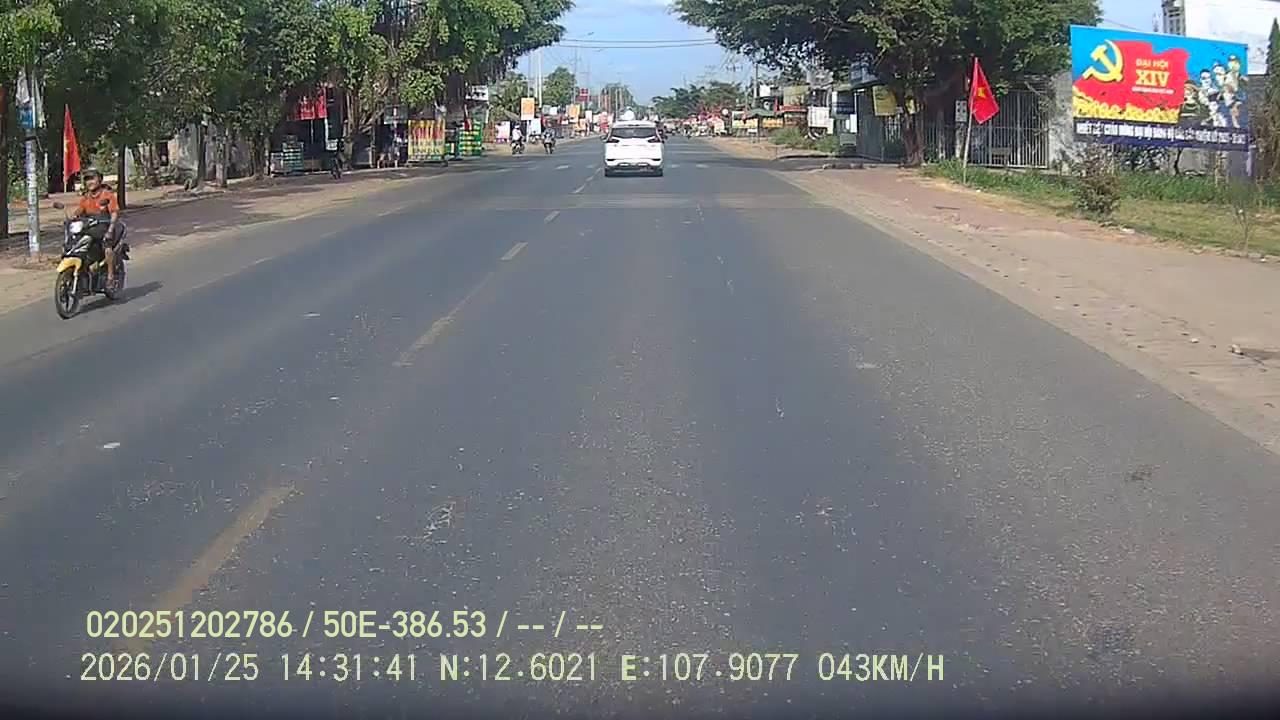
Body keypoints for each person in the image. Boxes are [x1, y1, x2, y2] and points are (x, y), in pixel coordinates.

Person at [74, 167, 123, 289]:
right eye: (87, 179)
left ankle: (110, 277)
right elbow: (79, 211)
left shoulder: (107, 195)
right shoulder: (86, 197)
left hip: (106, 227)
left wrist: (110, 229)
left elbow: (114, 213)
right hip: (91, 229)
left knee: (107, 247)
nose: (89, 182)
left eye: (92, 178)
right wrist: (72, 218)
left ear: (99, 180)